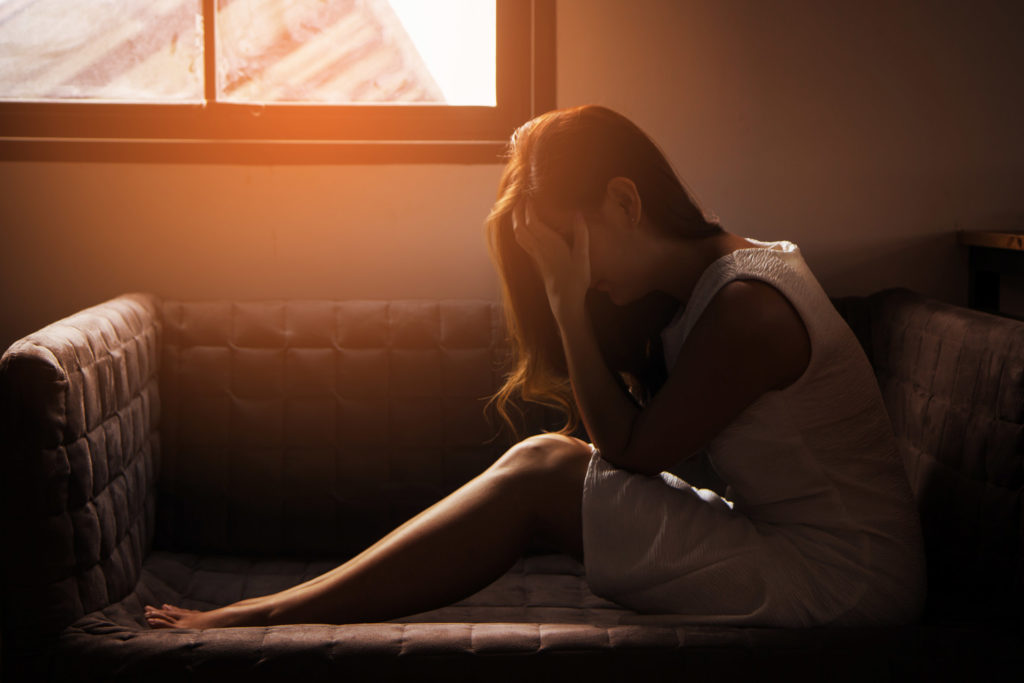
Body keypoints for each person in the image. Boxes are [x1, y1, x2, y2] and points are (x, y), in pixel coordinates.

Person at [145, 104, 925, 630]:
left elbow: (631, 450)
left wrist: (565, 299)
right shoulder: (708, 285)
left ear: (625, 202)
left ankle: (276, 614)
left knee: (543, 472)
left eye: (568, 246)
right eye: (557, 261)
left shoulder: (749, 307)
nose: (572, 273)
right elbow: (624, 442)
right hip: (801, 549)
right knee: (547, 462)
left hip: (843, 583)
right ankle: (288, 607)